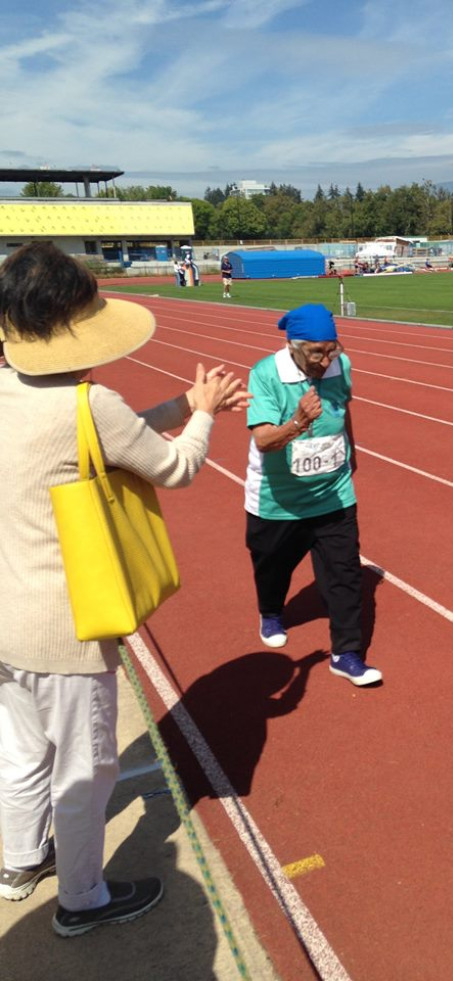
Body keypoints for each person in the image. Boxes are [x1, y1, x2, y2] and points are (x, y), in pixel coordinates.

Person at [0, 242, 250, 935]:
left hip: (6, 619)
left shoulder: (9, 390)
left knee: (21, 751)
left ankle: (19, 862)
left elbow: (98, 440)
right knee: (84, 771)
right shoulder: (90, 401)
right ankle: (82, 899)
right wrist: (201, 414)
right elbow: (171, 468)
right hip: (67, 625)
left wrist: (182, 403)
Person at [244, 303, 382, 688]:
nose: (325, 360)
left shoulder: (341, 365)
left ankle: (347, 654)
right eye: (316, 353)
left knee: (344, 576)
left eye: (331, 349)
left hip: (333, 495)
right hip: (278, 500)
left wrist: (351, 450)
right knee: (271, 568)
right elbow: (264, 440)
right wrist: (299, 422)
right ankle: (270, 611)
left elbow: (344, 410)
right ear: (293, 346)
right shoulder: (266, 374)